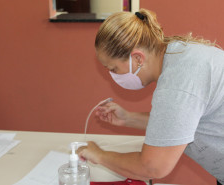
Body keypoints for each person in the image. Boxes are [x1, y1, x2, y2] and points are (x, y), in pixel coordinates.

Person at [77, 9, 224, 185]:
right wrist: (128, 118)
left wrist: (98, 155)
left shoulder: (176, 85)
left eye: (114, 69)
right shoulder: (179, 54)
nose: (113, 75)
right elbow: (175, 124)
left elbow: (153, 167)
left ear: (138, 58)